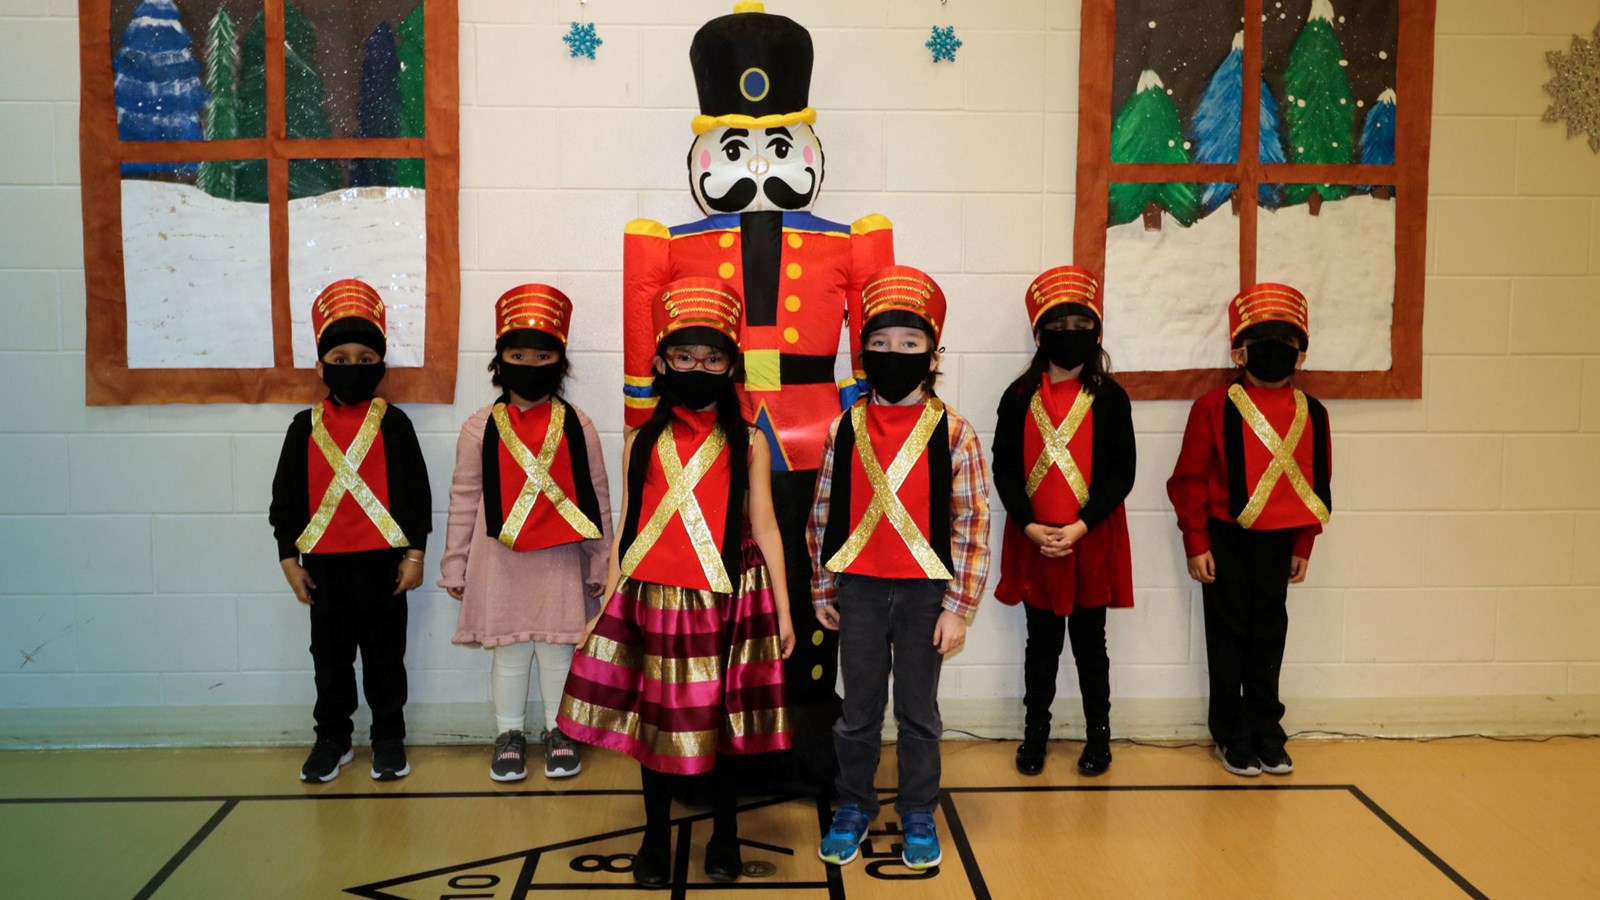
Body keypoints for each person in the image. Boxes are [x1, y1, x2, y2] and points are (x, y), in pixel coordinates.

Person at [558, 277, 795, 888]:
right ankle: (655, 835)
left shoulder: (750, 442)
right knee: (653, 725)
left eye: (713, 358)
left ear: (730, 365)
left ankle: (724, 832)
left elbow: (766, 528)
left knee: (725, 729)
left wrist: (786, 614)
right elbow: (628, 535)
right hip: (654, 602)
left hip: (732, 601)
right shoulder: (639, 440)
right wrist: (603, 605)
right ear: (661, 362)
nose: (698, 368)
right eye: (684, 357)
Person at [811, 265, 991, 871]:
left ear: (934, 354)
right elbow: (823, 513)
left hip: (924, 597)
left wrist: (959, 608)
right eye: (881, 345)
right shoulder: (845, 427)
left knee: (919, 713)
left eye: (910, 345)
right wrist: (821, 586)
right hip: (858, 590)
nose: (895, 355)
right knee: (857, 712)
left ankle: (918, 809)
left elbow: (973, 523)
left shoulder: (957, 433)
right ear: (863, 353)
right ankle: (853, 805)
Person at [439, 285, 612, 782]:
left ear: (561, 360)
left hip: (561, 560)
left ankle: (562, 732)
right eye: (518, 354)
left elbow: (597, 497)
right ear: (499, 360)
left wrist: (602, 563)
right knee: (511, 654)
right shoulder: (478, 426)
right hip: (498, 561)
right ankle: (509, 732)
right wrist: (455, 564)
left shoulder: (579, 424)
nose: (530, 364)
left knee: (559, 652)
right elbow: (464, 499)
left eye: (543, 354)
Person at [1167, 283, 1332, 777]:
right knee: (1227, 638)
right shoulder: (1213, 407)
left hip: (1279, 543)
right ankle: (1231, 732)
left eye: (1286, 341)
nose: (1275, 350)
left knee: (1267, 640)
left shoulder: (1313, 413)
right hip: (1226, 540)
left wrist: (1304, 541)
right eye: (1262, 339)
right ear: (1238, 350)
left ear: (1301, 353)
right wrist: (1196, 541)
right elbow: (1188, 479)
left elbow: (1315, 480)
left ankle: (1267, 730)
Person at [270, 279, 431, 783]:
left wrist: (415, 555)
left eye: (366, 359)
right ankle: (332, 738)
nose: (353, 368)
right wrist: (288, 558)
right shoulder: (303, 426)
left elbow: (415, 494)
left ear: (381, 367)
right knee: (330, 660)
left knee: (387, 659)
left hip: (384, 566)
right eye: (341, 357)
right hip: (325, 570)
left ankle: (388, 737)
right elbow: (286, 498)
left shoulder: (396, 424)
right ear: (320, 366)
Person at [991, 266, 1135, 777]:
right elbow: (1003, 467)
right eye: (1059, 324)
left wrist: (1081, 526)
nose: (1069, 335)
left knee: (1091, 647)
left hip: (1089, 540)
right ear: (1038, 333)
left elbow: (1123, 473)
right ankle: (1036, 735)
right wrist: (1031, 526)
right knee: (1041, 647)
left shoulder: (1112, 397)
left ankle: (1100, 739)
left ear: (1096, 332)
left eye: (1080, 325)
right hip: (1035, 540)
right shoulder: (1017, 396)